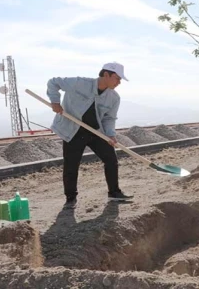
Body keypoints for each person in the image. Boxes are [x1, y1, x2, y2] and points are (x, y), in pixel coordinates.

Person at [47, 62, 134, 210]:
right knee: (71, 165)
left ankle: (114, 192)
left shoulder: (114, 98)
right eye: (117, 78)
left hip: (95, 131)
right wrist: (55, 101)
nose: (119, 83)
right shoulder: (80, 83)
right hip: (72, 130)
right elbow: (53, 82)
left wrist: (111, 135)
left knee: (111, 159)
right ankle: (71, 198)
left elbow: (109, 118)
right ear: (106, 75)